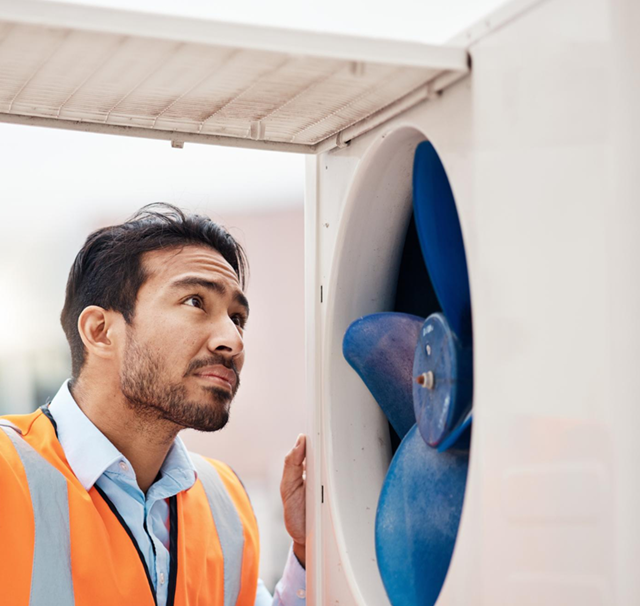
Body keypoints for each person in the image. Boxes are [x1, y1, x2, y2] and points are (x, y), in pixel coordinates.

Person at [0, 203, 307, 606]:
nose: (233, 341)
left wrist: (306, 549)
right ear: (100, 331)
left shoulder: (226, 500)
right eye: (196, 302)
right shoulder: (8, 472)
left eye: (237, 318)